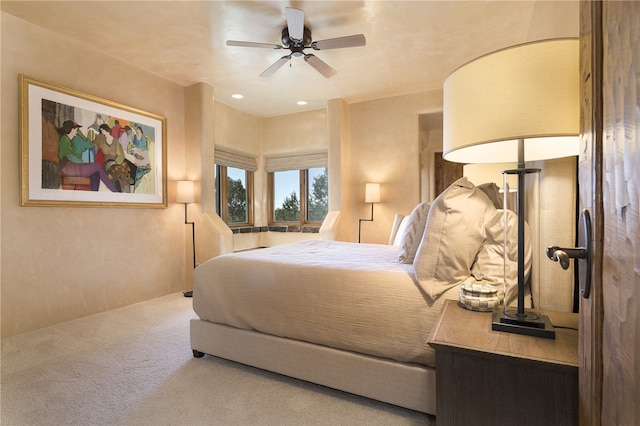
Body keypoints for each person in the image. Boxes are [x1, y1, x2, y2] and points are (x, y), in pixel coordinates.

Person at [57, 120, 117, 192]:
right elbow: (69, 156)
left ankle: (93, 195)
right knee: (97, 166)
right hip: (67, 168)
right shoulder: (64, 140)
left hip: (71, 166)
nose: (77, 131)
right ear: (71, 129)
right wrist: (82, 162)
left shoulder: (70, 139)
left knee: (96, 174)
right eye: (76, 129)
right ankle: (113, 190)